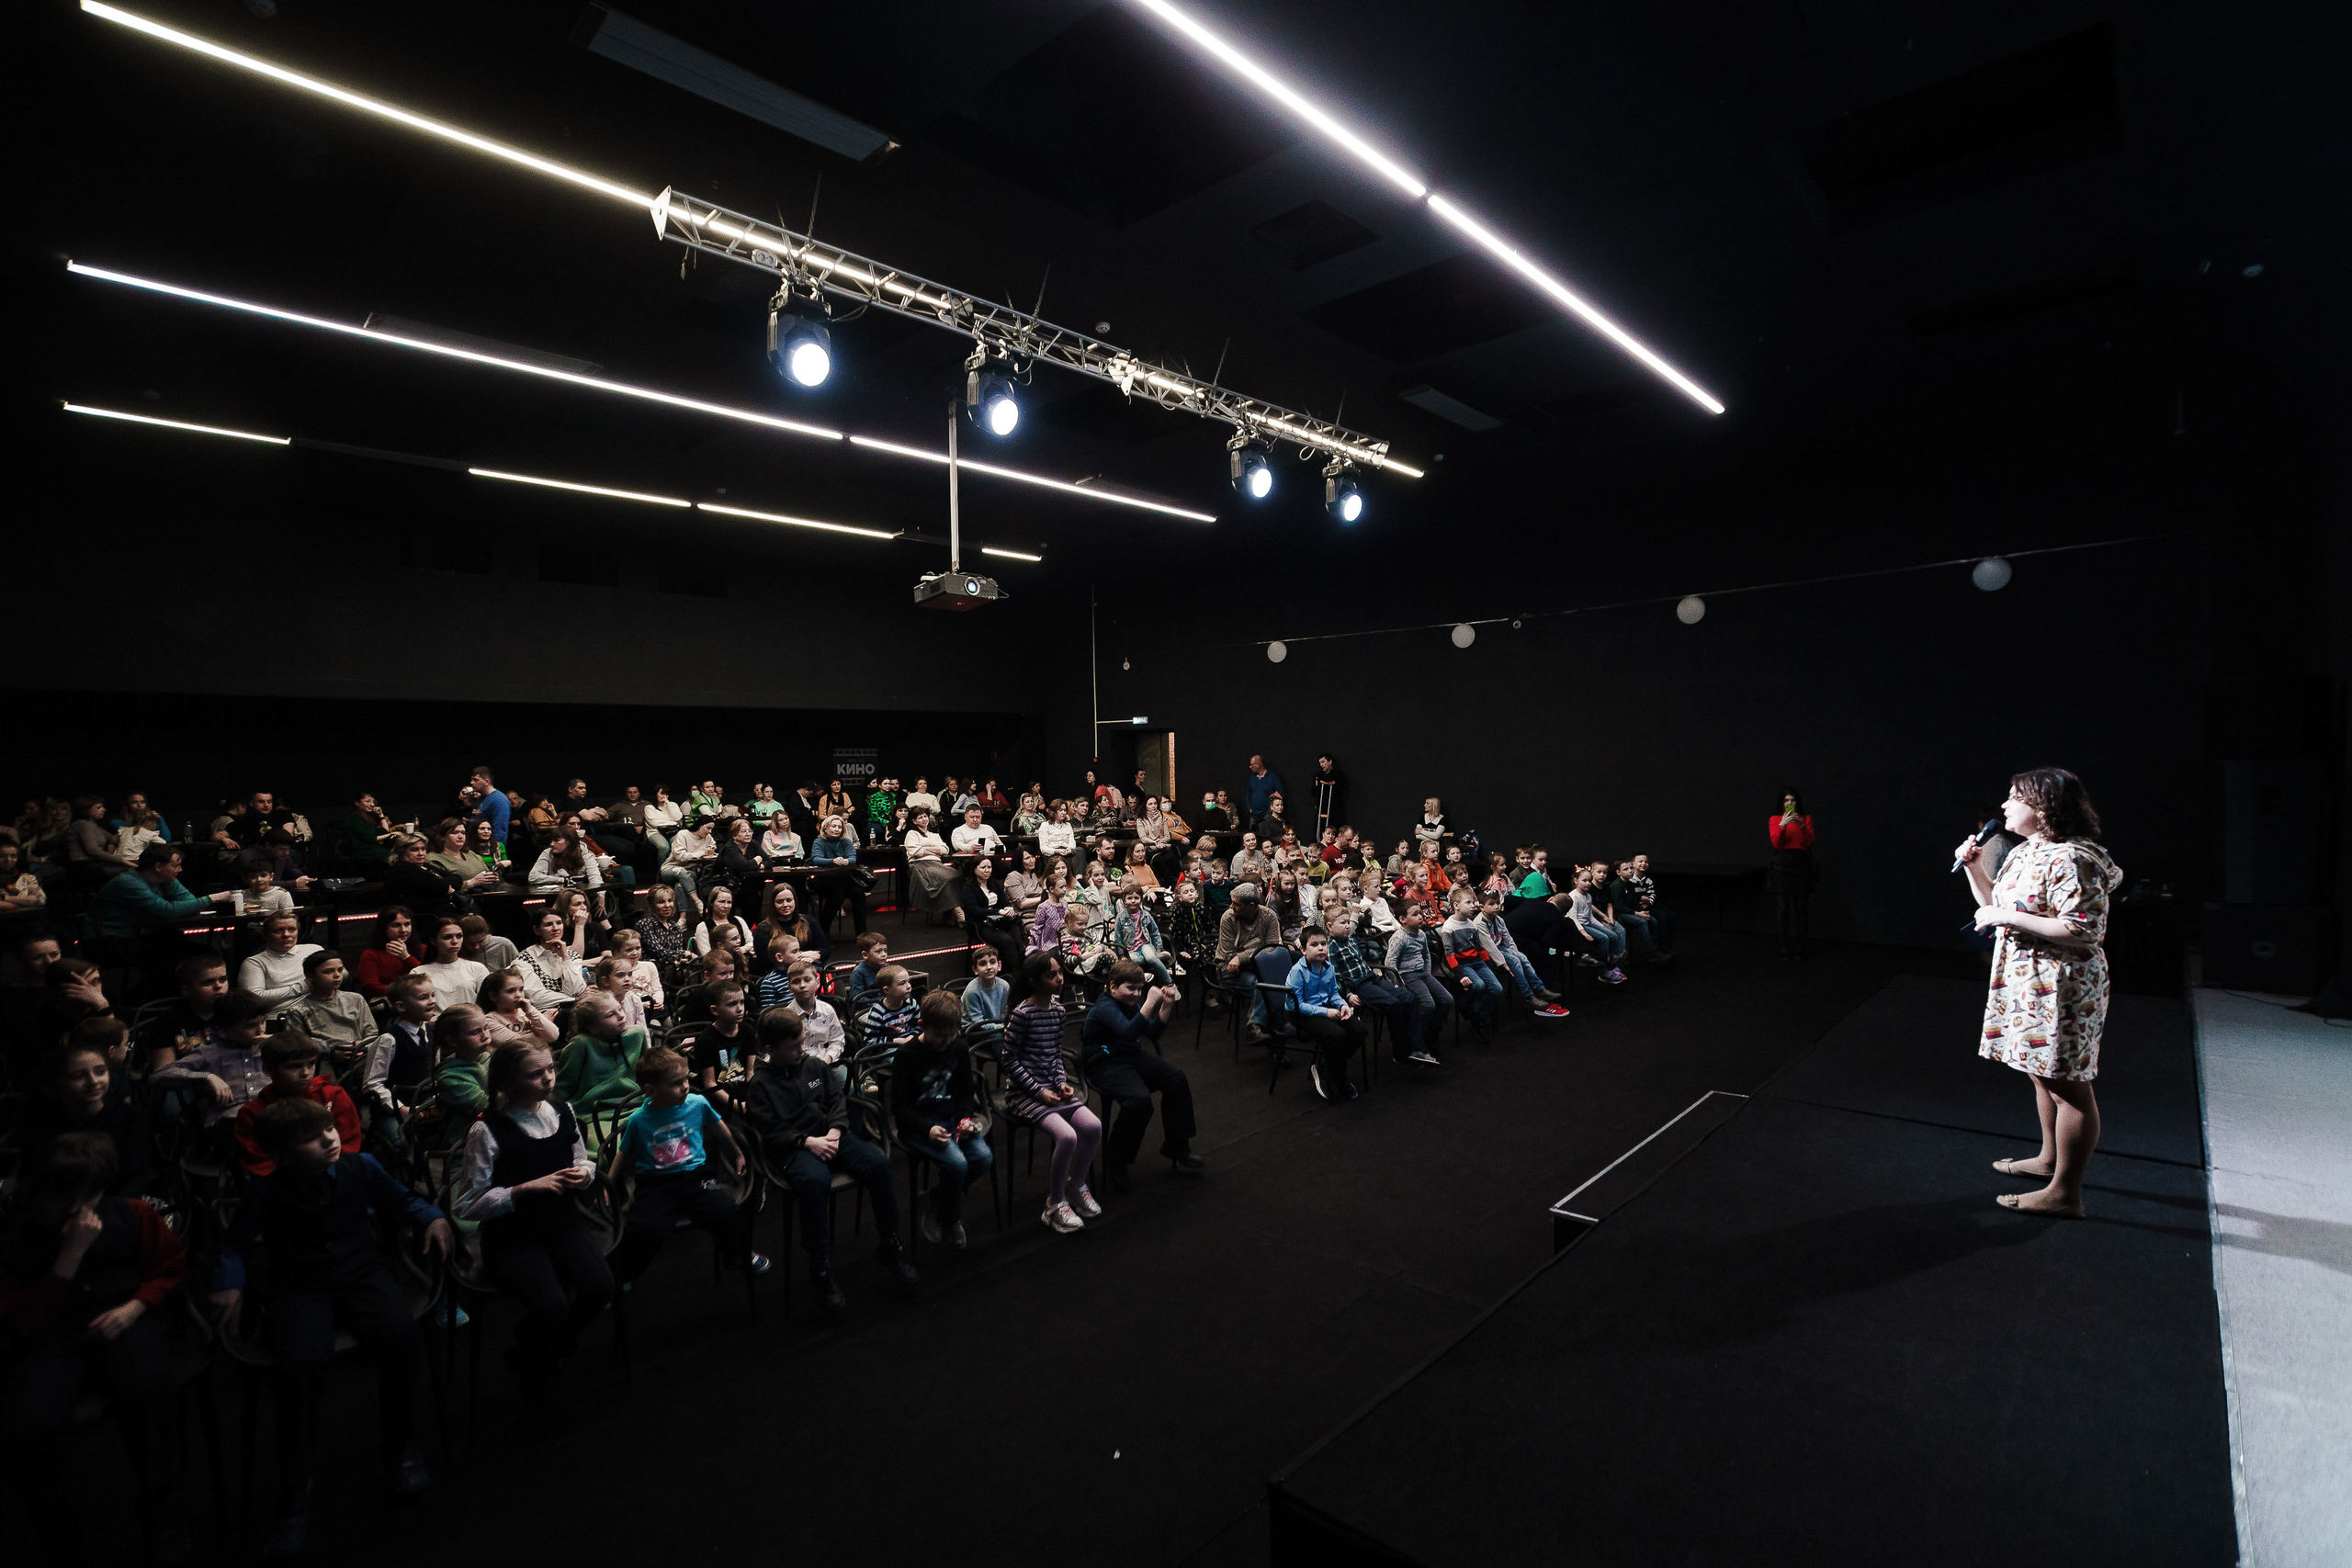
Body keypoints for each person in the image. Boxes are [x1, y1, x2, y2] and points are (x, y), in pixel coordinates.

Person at [211, 1097, 451, 1547]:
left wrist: (432, 1216)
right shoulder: (266, 1188)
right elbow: (236, 1245)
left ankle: (400, 1444)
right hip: (300, 1283)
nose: (329, 1139)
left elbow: (402, 1200)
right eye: (311, 1138)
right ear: (281, 1156)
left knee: (401, 1336)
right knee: (300, 1364)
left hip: (361, 1272)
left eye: (329, 1129)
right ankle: (296, 1481)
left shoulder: (362, 1167)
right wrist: (228, 1282)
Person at [0, 1134, 190, 1564]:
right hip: (52, 1337)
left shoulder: (131, 1214)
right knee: (25, 1428)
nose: (76, 1208)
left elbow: (171, 1269)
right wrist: (70, 1254)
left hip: (121, 1314)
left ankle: (161, 1515)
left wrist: (135, 1307)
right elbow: (25, 1323)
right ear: (35, 1189)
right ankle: (60, 1535)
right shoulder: (16, 1238)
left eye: (89, 1196)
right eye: (60, 1197)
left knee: (150, 1391)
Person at [1960, 768, 2121, 1219]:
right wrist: (1974, 868)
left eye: (2015, 797)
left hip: (2061, 987)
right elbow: (1993, 907)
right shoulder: (2027, 849)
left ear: (2044, 808)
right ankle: (2050, 1160)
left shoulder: (2073, 858)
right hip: (2029, 983)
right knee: (2041, 1074)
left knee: (2069, 1087)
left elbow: (2083, 929)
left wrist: (2007, 918)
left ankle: (2066, 1193)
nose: (2005, 805)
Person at [453, 1041, 609, 1401]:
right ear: (507, 1083)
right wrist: (521, 1189)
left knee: (600, 1287)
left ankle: (541, 1347)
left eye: (550, 1069)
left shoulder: (562, 1110)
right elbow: (467, 1205)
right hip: (513, 1236)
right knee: (552, 1306)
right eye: (535, 1074)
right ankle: (532, 1358)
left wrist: (584, 1173)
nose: (548, 1078)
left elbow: (581, 1159)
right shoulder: (487, 1130)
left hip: (562, 1222)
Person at [739, 1006, 914, 1315]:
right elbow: (767, 1132)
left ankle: (890, 1242)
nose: (802, 1049)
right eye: (794, 1046)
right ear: (770, 1049)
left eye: (802, 1042)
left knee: (878, 1164)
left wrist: (835, 1129)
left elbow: (837, 1101)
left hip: (830, 1136)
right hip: (794, 1148)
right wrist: (807, 1142)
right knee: (814, 1181)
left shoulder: (813, 1066)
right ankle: (819, 1264)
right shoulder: (760, 1084)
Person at [604, 1046, 768, 1283]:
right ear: (650, 1090)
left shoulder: (697, 1103)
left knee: (727, 1211)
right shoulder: (638, 1120)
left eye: (685, 1079)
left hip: (697, 1177)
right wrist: (608, 1184)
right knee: (645, 1229)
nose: (685, 1086)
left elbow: (719, 1127)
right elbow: (623, 1152)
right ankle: (624, 1275)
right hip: (656, 1184)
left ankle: (736, 1256)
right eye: (676, 1083)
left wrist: (737, 1153)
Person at [1002, 953, 1102, 1231]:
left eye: (1060, 973)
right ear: (1034, 982)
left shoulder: (1058, 1011)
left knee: (1093, 1127)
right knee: (1067, 1136)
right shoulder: (1022, 1014)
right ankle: (1054, 1203)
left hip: (1050, 1088)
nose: (1060, 979)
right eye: (1051, 975)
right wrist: (1038, 1092)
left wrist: (1060, 1082)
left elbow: (1055, 1055)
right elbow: (1009, 1061)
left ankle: (1076, 1185)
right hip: (1023, 1094)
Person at [1080, 958, 1202, 1187]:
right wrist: (1149, 1003)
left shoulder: (1129, 1003)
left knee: (1176, 1079)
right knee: (1139, 1102)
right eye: (1131, 988)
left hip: (1129, 1055)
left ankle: (1176, 1145)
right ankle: (1117, 1161)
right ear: (1113, 986)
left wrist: (1166, 1006)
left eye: (1140, 989)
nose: (1136, 994)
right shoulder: (1105, 1006)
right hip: (1104, 1062)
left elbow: (1152, 1032)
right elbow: (1128, 1031)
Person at [891, 990, 993, 1249]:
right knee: (958, 1164)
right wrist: (926, 1129)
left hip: (950, 1119)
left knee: (983, 1158)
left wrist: (965, 1119)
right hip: (918, 1125)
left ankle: (935, 1198)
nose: (945, 1042)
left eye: (951, 1035)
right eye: (939, 1035)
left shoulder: (957, 1048)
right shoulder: (906, 1055)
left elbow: (966, 1090)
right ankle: (951, 1218)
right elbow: (900, 1108)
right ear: (922, 1025)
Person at [233, 1031, 364, 1178]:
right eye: (295, 1066)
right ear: (269, 1069)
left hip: (335, 1176)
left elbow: (349, 1143)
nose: (306, 1073)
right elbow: (259, 1162)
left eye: (311, 1063)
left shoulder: (333, 1096)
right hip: (284, 1184)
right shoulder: (253, 1112)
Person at [153, 989, 274, 1126]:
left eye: (263, 1021)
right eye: (251, 1025)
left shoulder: (272, 1047)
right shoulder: (209, 1053)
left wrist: (279, 1044)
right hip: (230, 1123)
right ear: (224, 1031)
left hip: (273, 1118)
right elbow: (158, 1075)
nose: (260, 1030)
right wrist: (206, 1077)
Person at [1284, 930, 1368, 1100]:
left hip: (1325, 1007)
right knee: (1337, 1035)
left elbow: (1333, 994)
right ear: (1303, 950)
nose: (1321, 948)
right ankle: (1340, 1077)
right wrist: (1326, 1012)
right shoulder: (1297, 971)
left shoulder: (1329, 968)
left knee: (1360, 1030)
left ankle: (1328, 1069)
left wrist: (1342, 1004)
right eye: (1314, 945)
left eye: (1324, 944)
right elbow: (1295, 1005)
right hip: (1301, 1014)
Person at [554, 990, 647, 1110]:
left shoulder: (637, 1034)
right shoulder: (581, 1044)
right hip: (594, 1109)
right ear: (593, 1028)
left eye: (620, 1009)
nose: (621, 1016)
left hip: (636, 1102)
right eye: (610, 1015)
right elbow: (564, 1088)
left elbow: (647, 1073)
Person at [1385, 900, 1453, 1058]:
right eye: (1415, 914)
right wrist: (1399, 983)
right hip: (1408, 975)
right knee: (1428, 1005)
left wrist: (1427, 972)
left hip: (1423, 973)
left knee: (1447, 999)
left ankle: (1430, 1030)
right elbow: (1390, 962)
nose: (1420, 916)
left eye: (1420, 913)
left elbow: (1426, 955)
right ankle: (1417, 1035)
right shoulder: (1399, 938)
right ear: (1402, 919)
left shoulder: (1421, 934)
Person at [1216, 881, 1283, 1039]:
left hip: (1259, 967)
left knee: (1270, 986)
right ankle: (1266, 1032)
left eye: (1236, 904)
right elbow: (1229, 955)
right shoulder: (1228, 918)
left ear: (1251, 905)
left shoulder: (1269, 916)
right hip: (1228, 969)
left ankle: (1260, 1029)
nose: (1231, 907)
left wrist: (1241, 957)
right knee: (1264, 986)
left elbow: (1271, 949)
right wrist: (1255, 951)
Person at [673, 977, 753, 1108]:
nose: (740, 1009)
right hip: (720, 1098)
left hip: (744, 1092)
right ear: (715, 1010)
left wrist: (752, 1098)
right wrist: (736, 1106)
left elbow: (750, 1072)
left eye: (742, 1002)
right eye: (732, 1004)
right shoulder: (706, 1040)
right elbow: (710, 1084)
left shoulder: (747, 1031)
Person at [1439, 891, 1504, 1038]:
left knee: (1497, 988)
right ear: (1456, 905)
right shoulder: (1448, 927)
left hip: (1476, 961)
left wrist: (1490, 967)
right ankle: (1464, 1006)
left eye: (1473, 902)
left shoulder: (1472, 925)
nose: (1473, 905)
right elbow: (1449, 955)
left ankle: (1478, 1019)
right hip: (1461, 964)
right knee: (1479, 985)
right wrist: (1460, 975)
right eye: (1468, 902)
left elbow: (1480, 948)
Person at [1767, 788, 1817, 961]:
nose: (1790, 803)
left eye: (1793, 800)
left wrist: (1801, 825)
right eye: (1786, 800)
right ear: (1782, 803)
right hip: (1781, 865)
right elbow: (1777, 843)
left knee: (1801, 907)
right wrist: (1782, 825)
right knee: (1782, 908)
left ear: (1797, 802)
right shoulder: (1774, 819)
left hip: (1800, 864)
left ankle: (1801, 946)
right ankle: (1783, 946)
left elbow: (1808, 842)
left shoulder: (1806, 819)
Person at [237, 911, 322, 1007]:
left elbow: (336, 976)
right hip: (283, 1013)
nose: (286, 934)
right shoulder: (254, 963)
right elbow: (253, 999)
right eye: (278, 930)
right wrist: (301, 987)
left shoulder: (314, 950)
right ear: (265, 935)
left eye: (292, 929)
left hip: (322, 1007)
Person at [959, 854, 1024, 977]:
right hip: (980, 924)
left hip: (999, 922)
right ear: (975, 869)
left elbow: (1005, 902)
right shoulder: (969, 888)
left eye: (989, 867)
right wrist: (998, 911)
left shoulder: (994, 883)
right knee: (1007, 940)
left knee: (1017, 934)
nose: (987, 870)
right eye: (983, 867)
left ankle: (1022, 969)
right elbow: (975, 911)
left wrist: (1009, 909)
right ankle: (1018, 975)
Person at [415, 913, 490, 1015]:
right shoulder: (419, 972)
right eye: (447, 937)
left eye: (459, 936)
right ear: (434, 941)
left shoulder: (477, 968)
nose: (455, 941)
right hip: (436, 1022)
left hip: (471, 1020)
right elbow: (416, 1009)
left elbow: (488, 1003)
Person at [1566, 867, 1629, 985]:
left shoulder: (1588, 896)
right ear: (1576, 881)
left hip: (1588, 922)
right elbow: (1573, 918)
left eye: (1590, 881)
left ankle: (1613, 963)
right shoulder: (1573, 896)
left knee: (1613, 935)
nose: (1588, 883)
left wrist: (1602, 926)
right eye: (1585, 880)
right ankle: (1604, 970)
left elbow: (1590, 917)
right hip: (1580, 925)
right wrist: (1583, 932)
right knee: (1604, 938)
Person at [810, 814, 869, 934]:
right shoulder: (819, 842)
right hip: (825, 878)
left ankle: (861, 933)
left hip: (844, 877)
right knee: (837, 896)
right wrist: (833, 861)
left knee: (859, 893)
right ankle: (823, 931)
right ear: (826, 828)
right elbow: (816, 859)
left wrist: (847, 861)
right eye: (834, 826)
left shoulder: (846, 842)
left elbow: (853, 857)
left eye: (839, 827)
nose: (837, 829)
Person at [479, 966, 561, 1047]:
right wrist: (538, 1032)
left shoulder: (527, 1012)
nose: (518, 995)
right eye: (510, 991)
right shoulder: (489, 1020)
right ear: (494, 996)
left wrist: (532, 1011)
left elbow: (553, 1036)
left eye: (521, 989)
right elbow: (518, 1045)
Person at [858, 964, 920, 1066]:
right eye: (902, 983)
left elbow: (918, 1027)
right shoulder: (878, 1012)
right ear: (887, 990)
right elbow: (870, 1043)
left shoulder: (912, 1003)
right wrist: (894, 1041)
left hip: (911, 1044)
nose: (908, 986)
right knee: (909, 1061)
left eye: (908, 981)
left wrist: (912, 1036)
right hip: (889, 1051)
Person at [356, 905, 420, 999]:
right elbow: (370, 988)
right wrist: (404, 991)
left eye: (407, 924)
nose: (403, 930)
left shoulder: (421, 949)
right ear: (384, 928)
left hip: (421, 996)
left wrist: (407, 958)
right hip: (390, 999)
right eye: (396, 925)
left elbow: (428, 978)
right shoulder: (370, 955)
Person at [693, 884, 754, 956]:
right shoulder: (703, 927)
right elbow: (706, 955)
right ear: (712, 903)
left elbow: (751, 942)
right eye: (722, 902)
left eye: (729, 902)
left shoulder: (739, 920)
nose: (726, 906)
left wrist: (743, 949)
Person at [961, 945, 1010, 1034]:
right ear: (975, 970)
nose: (989, 967)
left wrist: (1005, 1026)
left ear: (999, 965)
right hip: (973, 1029)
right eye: (983, 964)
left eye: (992, 962)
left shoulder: (1004, 986)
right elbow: (977, 1022)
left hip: (996, 1026)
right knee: (1003, 1038)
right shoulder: (972, 991)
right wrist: (1002, 1028)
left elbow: (1005, 1013)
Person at [1243, 755, 1283, 822]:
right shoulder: (1252, 778)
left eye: (1252, 765)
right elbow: (1248, 793)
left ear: (1258, 765)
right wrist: (1249, 807)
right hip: (1255, 814)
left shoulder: (1273, 777)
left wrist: (1274, 798)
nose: (1250, 767)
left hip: (1268, 814)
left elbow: (1280, 794)